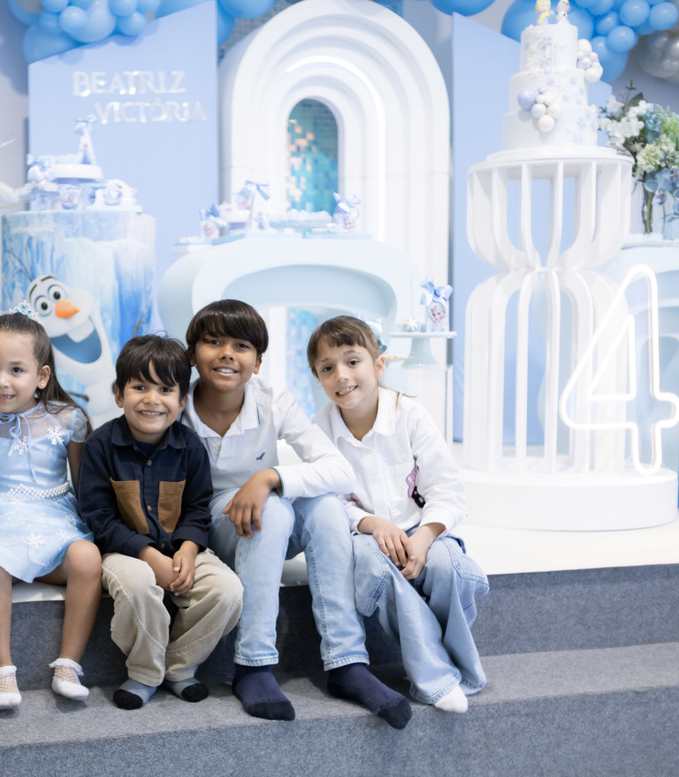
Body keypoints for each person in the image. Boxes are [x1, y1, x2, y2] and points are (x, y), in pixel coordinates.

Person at [181, 299, 411, 728]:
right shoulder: (176, 405)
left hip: (268, 520)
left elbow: (339, 471)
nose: (227, 353)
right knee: (273, 510)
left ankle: (346, 663)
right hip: (211, 525)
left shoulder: (272, 400)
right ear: (192, 355)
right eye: (213, 342)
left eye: (241, 346)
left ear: (258, 363)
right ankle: (252, 664)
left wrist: (269, 476)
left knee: (325, 507)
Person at [308, 315, 488, 713]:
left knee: (448, 567)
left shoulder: (410, 414)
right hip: (364, 537)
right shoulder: (318, 430)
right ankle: (434, 679)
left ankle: (458, 666)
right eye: (327, 368)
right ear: (318, 378)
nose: (341, 375)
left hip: (423, 527)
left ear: (378, 365)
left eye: (352, 361)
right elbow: (326, 499)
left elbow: (446, 488)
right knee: (379, 568)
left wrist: (424, 537)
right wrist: (371, 523)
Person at [78, 335, 243, 709]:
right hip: (122, 551)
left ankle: (178, 666)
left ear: (182, 401)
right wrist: (149, 555)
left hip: (181, 547)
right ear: (119, 394)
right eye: (140, 387)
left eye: (166, 390)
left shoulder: (190, 447)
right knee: (138, 585)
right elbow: (98, 516)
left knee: (226, 590)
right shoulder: (100, 446)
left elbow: (198, 508)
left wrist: (188, 548)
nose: (152, 399)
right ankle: (144, 672)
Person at [0, 310, 103, 709]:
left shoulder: (68, 419)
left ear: (42, 376)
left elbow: (84, 487)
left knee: (87, 557)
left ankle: (68, 664)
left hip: (55, 521)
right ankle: (2, 672)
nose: (1, 380)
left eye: (16, 370)